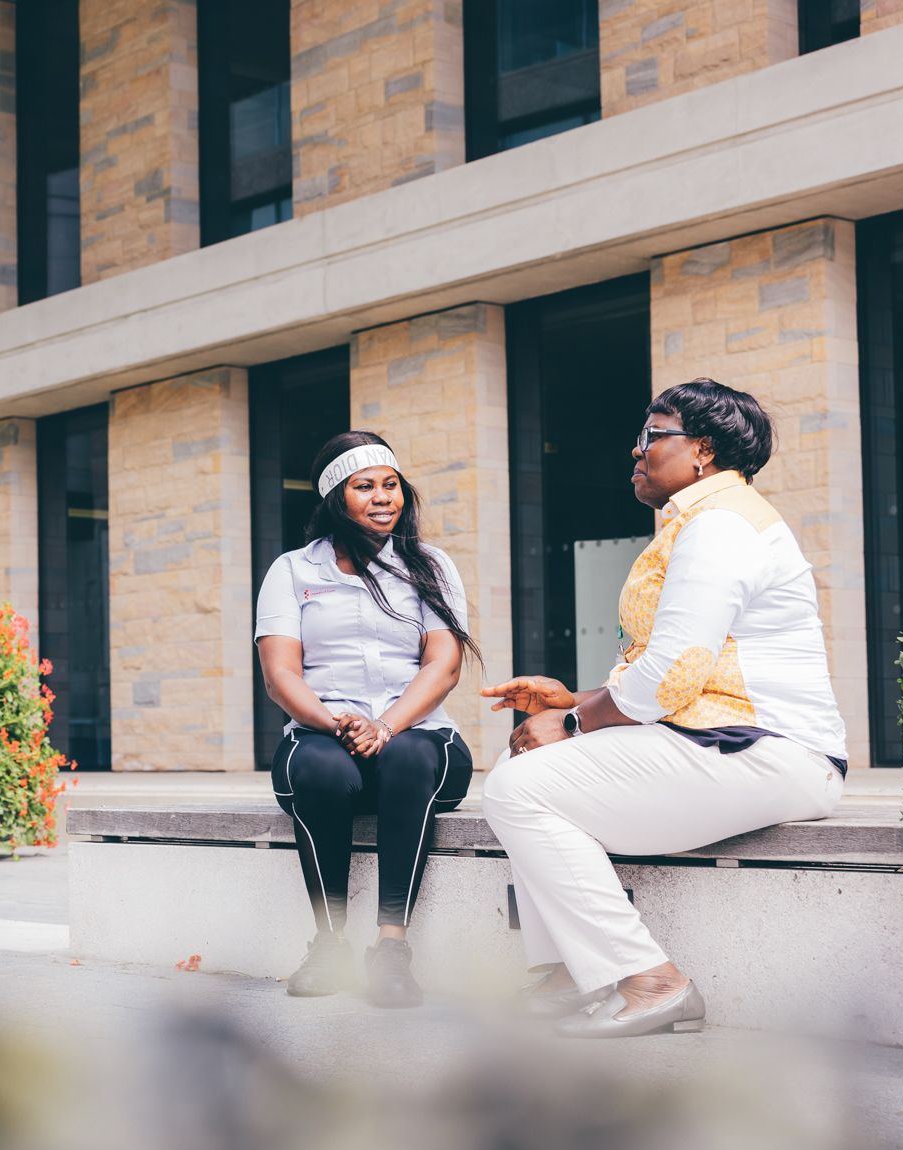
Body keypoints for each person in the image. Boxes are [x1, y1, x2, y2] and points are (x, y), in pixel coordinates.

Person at [479, 379, 848, 1038]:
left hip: (772, 752)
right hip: (728, 742)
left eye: (652, 436)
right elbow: (678, 669)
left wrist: (570, 721)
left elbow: (673, 674)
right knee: (531, 772)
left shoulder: (721, 525)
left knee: (519, 788)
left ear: (703, 449)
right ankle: (577, 965)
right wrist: (577, 702)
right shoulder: (706, 521)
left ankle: (650, 980)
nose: (636, 450)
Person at [254, 432, 477, 1009]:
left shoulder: (430, 565)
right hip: (324, 735)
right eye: (364, 487)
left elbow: (444, 663)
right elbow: (281, 675)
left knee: (405, 755)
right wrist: (336, 723)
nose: (383, 497)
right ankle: (328, 945)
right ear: (335, 497)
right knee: (325, 773)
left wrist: (388, 725)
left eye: (390, 484)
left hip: (419, 740)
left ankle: (391, 950)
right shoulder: (293, 571)